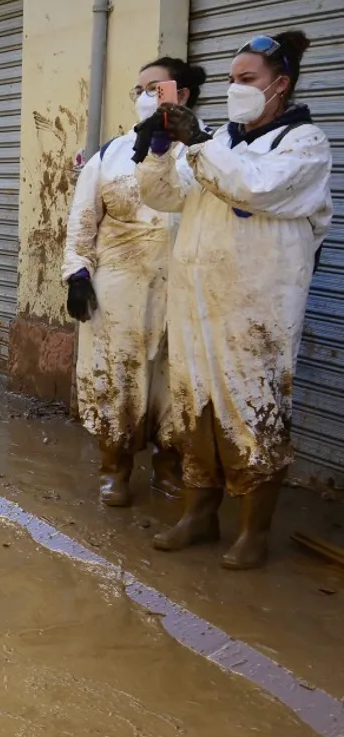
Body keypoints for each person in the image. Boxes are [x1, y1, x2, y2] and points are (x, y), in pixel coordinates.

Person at [135, 31, 333, 569]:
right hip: (196, 301)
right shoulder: (219, 140)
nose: (235, 89)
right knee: (194, 405)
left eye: (247, 80)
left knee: (254, 410)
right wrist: (156, 152)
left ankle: (253, 530)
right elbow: (163, 194)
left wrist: (195, 143)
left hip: (256, 308)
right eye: (230, 80)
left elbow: (255, 188)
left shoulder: (305, 144)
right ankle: (199, 514)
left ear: (280, 85)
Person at [62, 57, 205, 507]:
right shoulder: (110, 154)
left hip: (185, 286)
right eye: (139, 89)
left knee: (176, 380)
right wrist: (77, 274)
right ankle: (115, 469)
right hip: (119, 289)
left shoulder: (208, 151)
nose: (145, 96)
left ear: (180, 96)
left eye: (155, 88)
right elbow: (82, 221)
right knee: (117, 377)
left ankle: (169, 468)